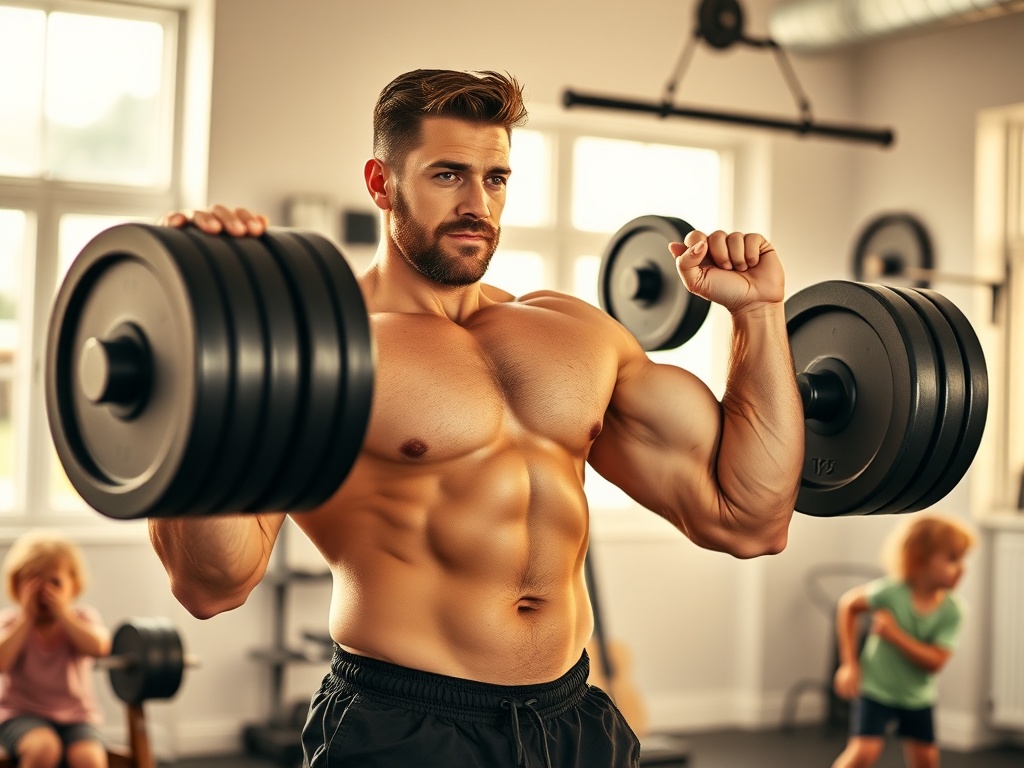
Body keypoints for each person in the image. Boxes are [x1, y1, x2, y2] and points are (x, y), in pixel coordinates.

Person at [151, 68, 805, 768]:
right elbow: (211, 583)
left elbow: (749, 519)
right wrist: (205, 345)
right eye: (446, 176)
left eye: (495, 179)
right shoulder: (322, 350)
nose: (476, 203)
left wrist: (759, 316)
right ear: (381, 183)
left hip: (574, 720)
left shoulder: (576, 334)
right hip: (405, 726)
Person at [831, 514, 976, 768]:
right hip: (877, 689)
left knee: (927, 761)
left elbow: (935, 662)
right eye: (953, 559)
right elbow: (848, 605)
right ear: (920, 559)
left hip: (917, 697)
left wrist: (894, 635)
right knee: (863, 752)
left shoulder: (953, 611)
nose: (963, 568)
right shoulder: (891, 592)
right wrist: (849, 664)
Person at [0, 530, 111, 768]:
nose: (45, 593)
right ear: (16, 586)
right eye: (34, 583)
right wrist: (26, 619)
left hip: (77, 719)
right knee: (44, 749)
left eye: (55, 583)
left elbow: (100, 647)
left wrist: (63, 614)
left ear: (74, 586)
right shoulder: (10, 623)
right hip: (20, 716)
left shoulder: (81, 618)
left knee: (90, 760)